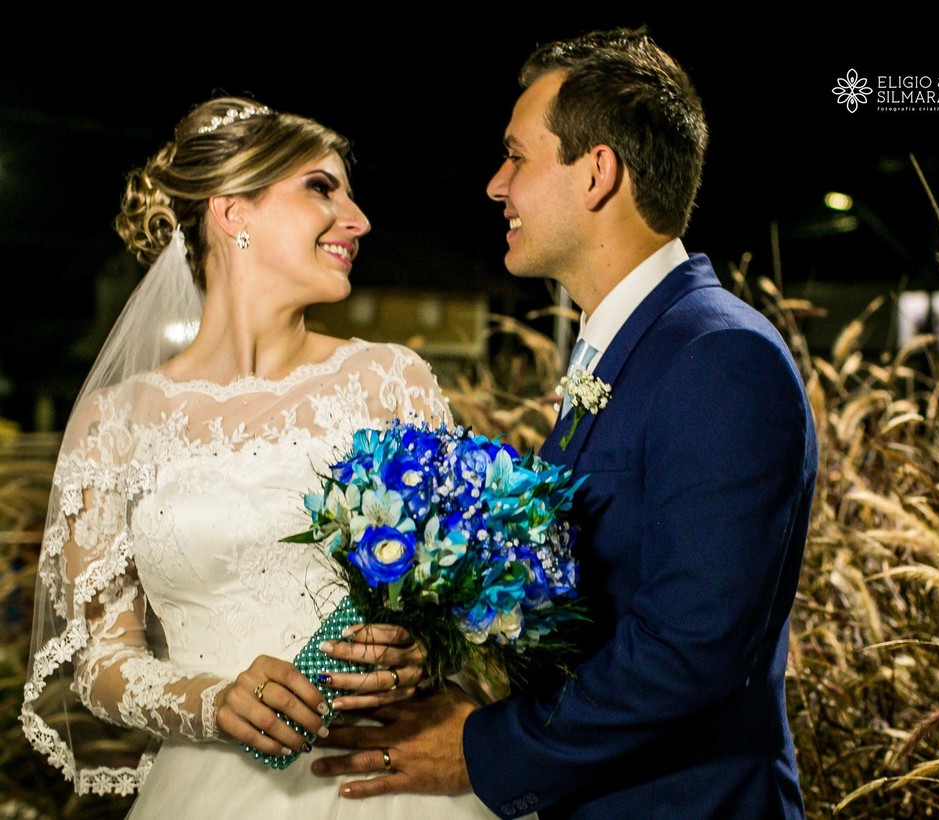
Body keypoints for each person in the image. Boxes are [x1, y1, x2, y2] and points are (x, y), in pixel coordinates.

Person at [312, 27, 818, 818]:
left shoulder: (719, 356)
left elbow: (689, 650)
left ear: (596, 173)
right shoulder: (629, 350)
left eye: (517, 157)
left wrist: (480, 749)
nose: (495, 185)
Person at [21, 95, 495, 818]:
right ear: (232, 210)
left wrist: (427, 652)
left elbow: (464, 599)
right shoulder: (115, 422)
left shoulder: (390, 381)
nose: (358, 220)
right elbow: (101, 662)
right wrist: (211, 700)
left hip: (388, 777)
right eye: (322, 188)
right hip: (210, 789)